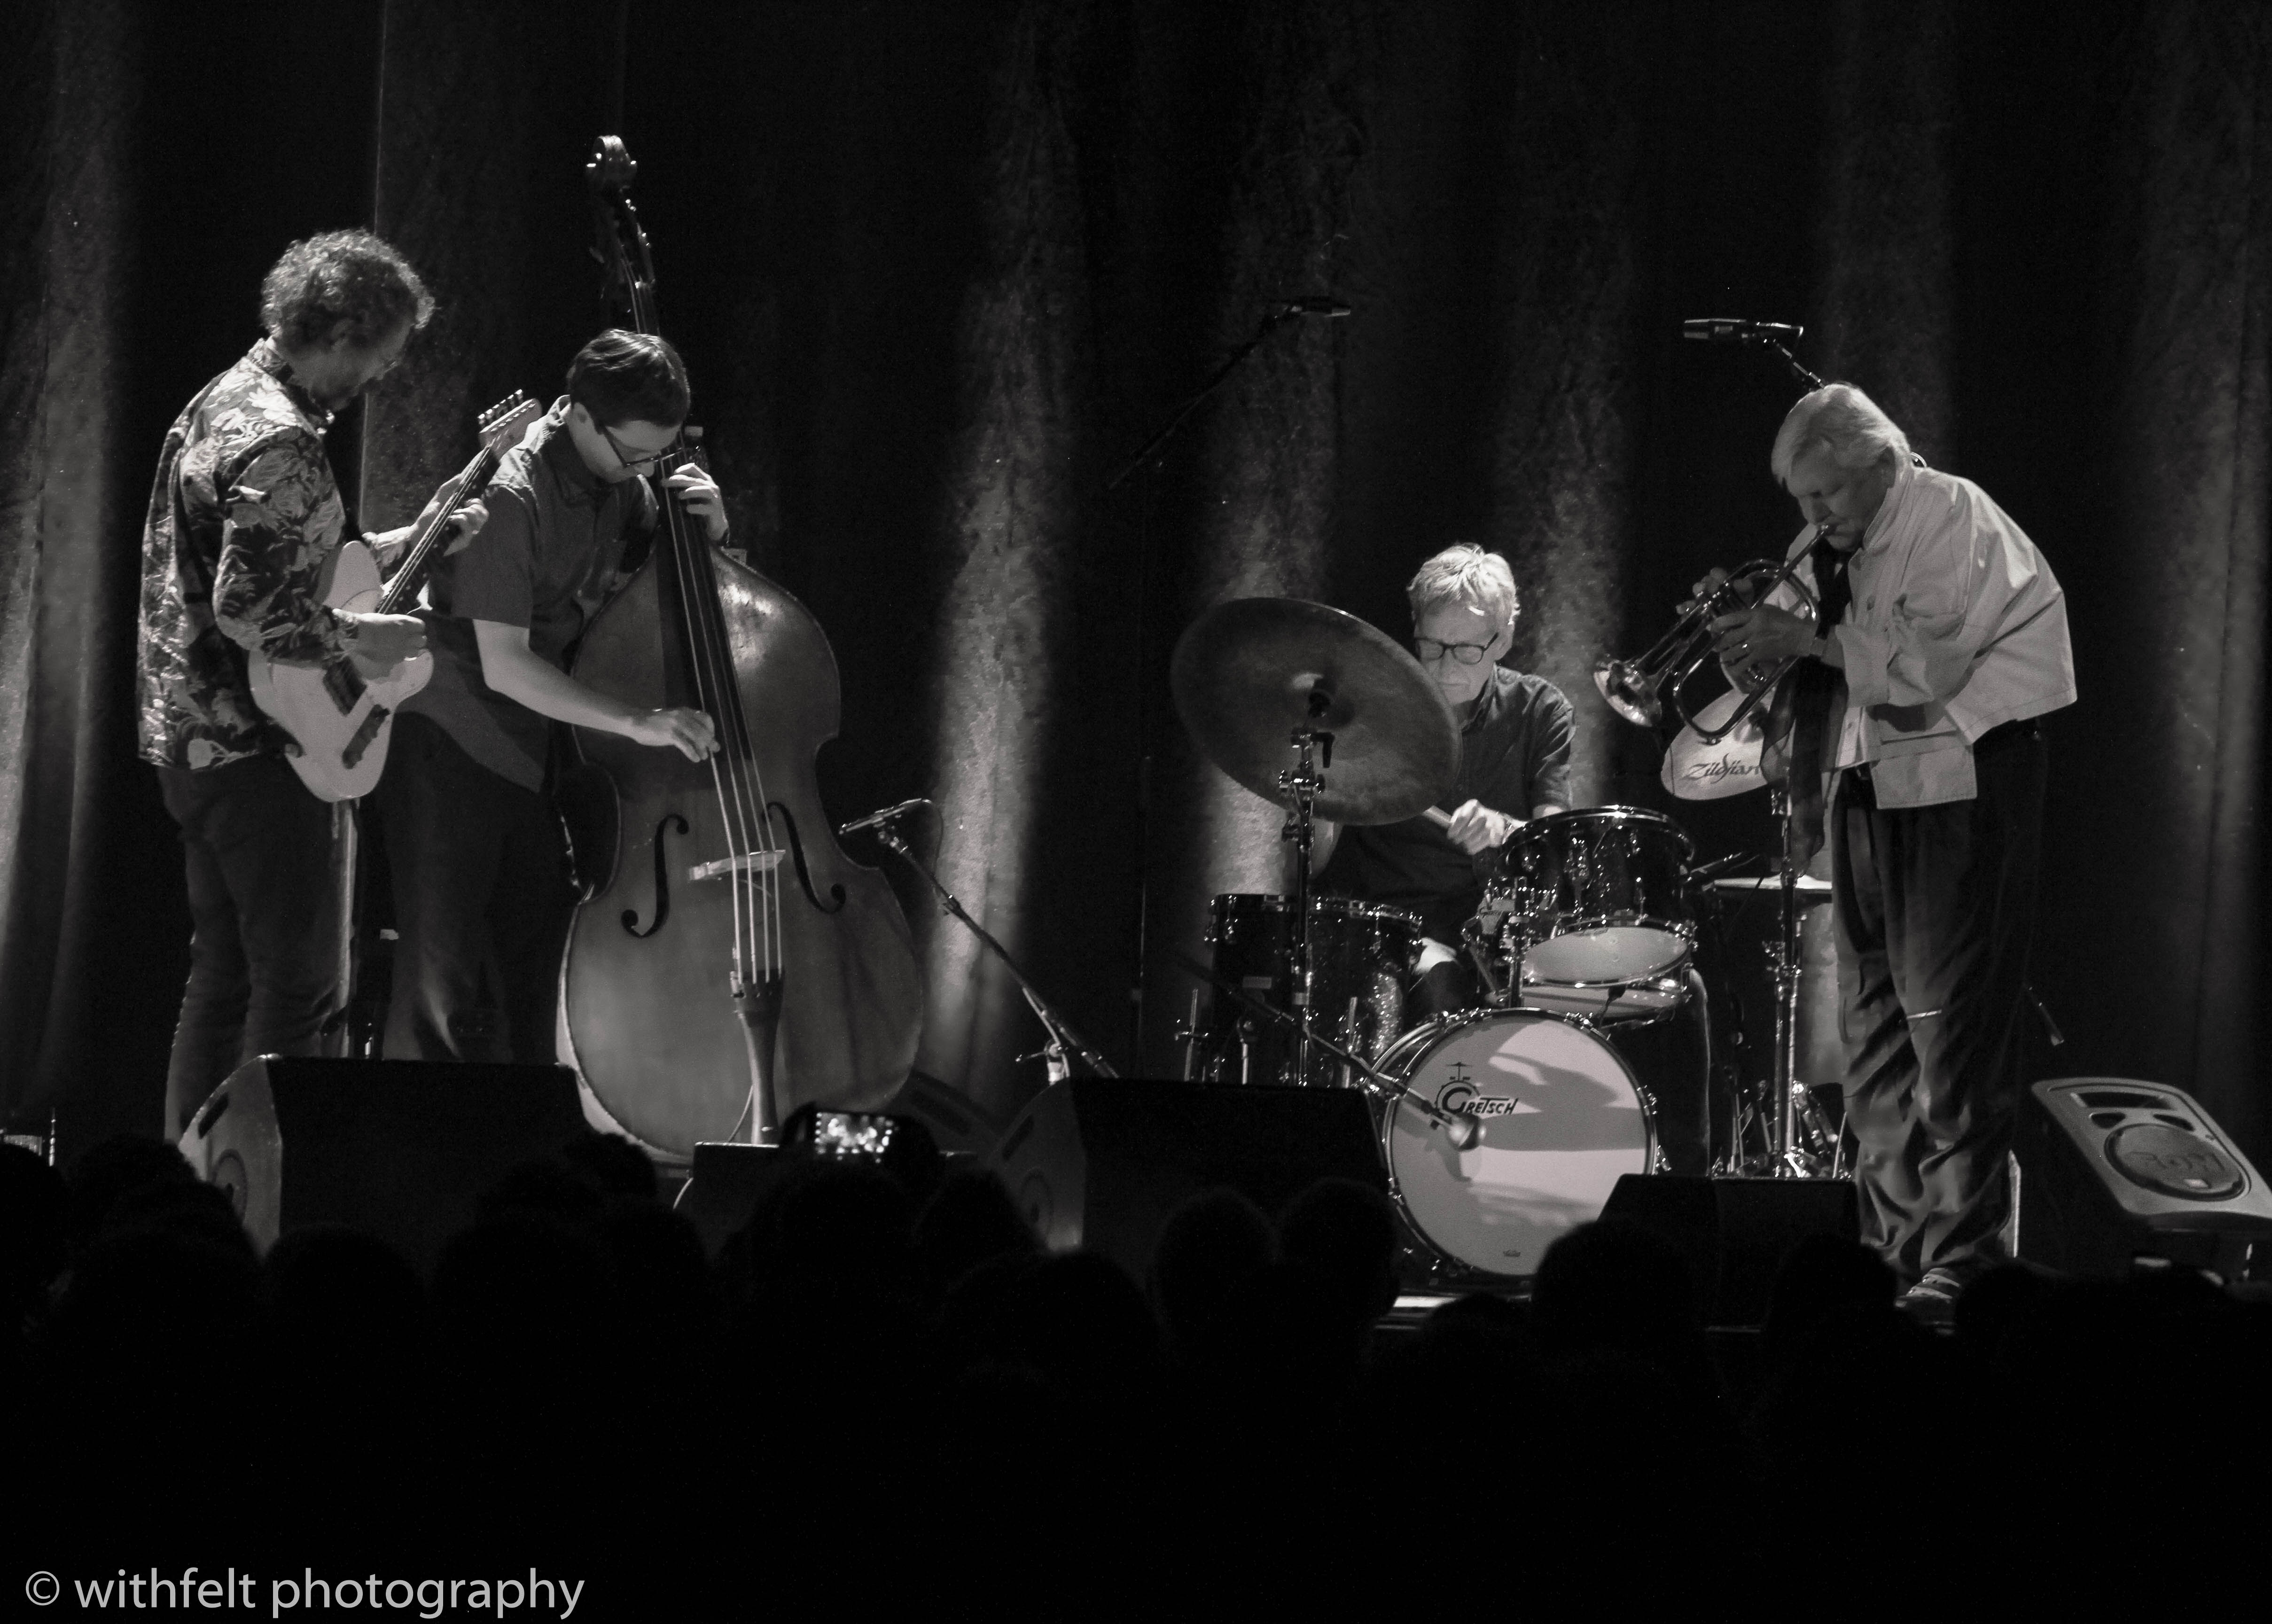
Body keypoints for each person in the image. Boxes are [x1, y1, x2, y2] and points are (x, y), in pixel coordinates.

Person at [1705, 383, 2074, 1318]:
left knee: (1946, 1025)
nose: (1809, 514)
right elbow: (1804, 661)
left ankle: (1964, 1253)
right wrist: (1748, 649)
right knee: (1871, 1030)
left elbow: (1928, 661)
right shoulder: (1819, 546)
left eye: (1823, 493)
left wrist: (1810, 639)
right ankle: (1891, 1247)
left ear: (1880, 464)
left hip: (1965, 779)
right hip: (1870, 783)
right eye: (1797, 497)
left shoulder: (1945, 511)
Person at [138, 230, 483, 1140]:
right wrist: (364, 638)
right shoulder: (282, 439)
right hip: (259, 748)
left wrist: (410, 542)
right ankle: (264, 1204)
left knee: (221, 976)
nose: (382, 375)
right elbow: (259, 614)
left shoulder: (223, 399)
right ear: (344, 335)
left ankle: (191, 1186)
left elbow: (294, 565)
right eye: (383, 354)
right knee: (295, 995)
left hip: (191, 738)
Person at [374, 329, 720, 1064]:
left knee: (531, 969)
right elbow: (506, 667)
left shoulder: (617, 483)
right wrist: (638, 722)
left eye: (658, 457)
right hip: (450, 742)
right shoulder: (511, 494)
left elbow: (670, 579)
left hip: (525, 755)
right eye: (635, 455)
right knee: (442, 977)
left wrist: (709, 529)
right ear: (582, 417)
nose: (646, 472)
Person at [1315, 545, 1572, 1015]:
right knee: (1441, 986)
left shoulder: (1539, 710)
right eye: (1430, 645)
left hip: (1496, 922)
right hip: (1395, 923)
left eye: (1466, 650)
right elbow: (1311, 865)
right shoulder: (1372, 711)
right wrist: (1316, 792)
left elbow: (1554, 847)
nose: (1443, 666)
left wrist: (1505, 831)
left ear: (1503, 639)